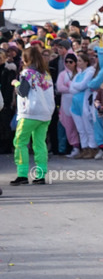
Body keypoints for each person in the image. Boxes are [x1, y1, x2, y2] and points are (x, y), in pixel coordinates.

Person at [10, 45, 55, 185]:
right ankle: (40, 175)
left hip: (30, 113)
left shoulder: (27, 73)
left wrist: (15, 82)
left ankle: (22, 174)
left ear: (26, 59)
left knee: (20, 142)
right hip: (45, 113)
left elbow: (23, 91)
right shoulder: (46, 74)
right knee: (39, 143)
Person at [56, 52, 81, 157]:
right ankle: (69, 147)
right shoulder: (62, 74)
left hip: (78, 102)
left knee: (79, 126)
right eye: (66, 62)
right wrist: (72, 88)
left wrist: (69, 86)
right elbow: (59, 87)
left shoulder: (80, 73)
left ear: (75, 63)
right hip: (66, 103)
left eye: (70, 62)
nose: (68, 64)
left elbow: (82, 86)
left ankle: (82, 147)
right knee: (67, 126)